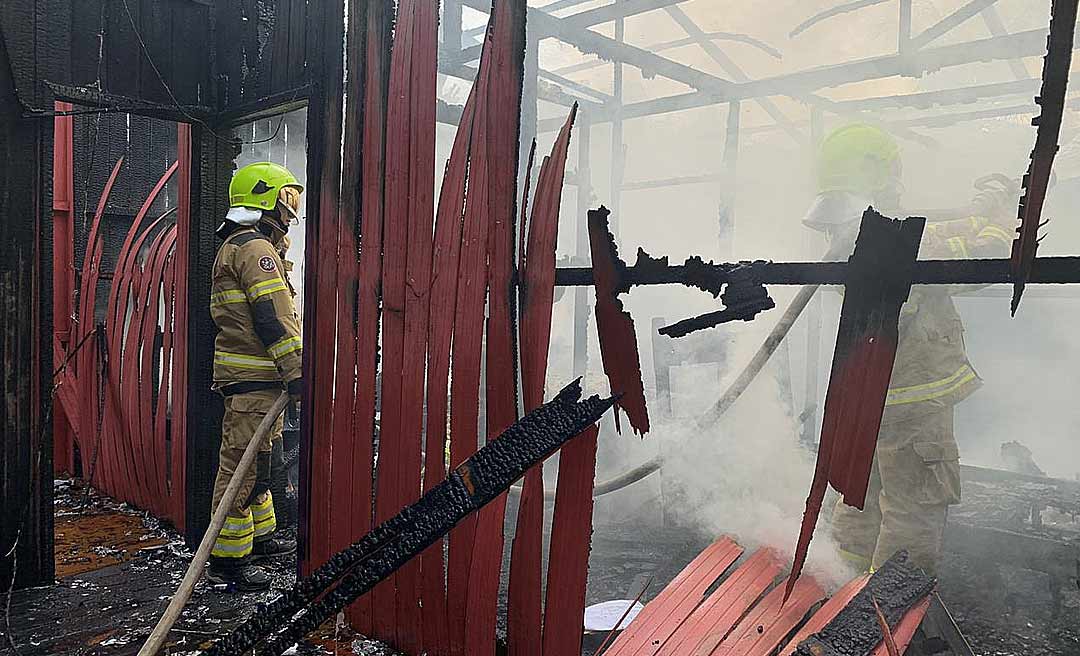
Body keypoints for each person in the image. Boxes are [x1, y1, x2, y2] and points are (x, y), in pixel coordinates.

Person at [804, 124, 1014, 576]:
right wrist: (1002, 216)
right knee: (913, 508)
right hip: (913, 402)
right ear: (886, 176)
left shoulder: (852, 235)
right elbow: (982, 261)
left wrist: (982, 208)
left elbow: (938, 234)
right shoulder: (895, 240)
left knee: (860, 499)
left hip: (869, 396)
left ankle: (842, 592)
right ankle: (884, 617)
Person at [207, 162, 304, 590]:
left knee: (263, 463)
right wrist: (298, 373)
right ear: (265, 200)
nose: (291, 210)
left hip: (259, 383)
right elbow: (273, 318)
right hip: (256, 382)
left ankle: (259, 540)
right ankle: (228, 562)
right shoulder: (254, 250)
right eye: (288, 198)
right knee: (241, 470)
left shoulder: (246, 245)